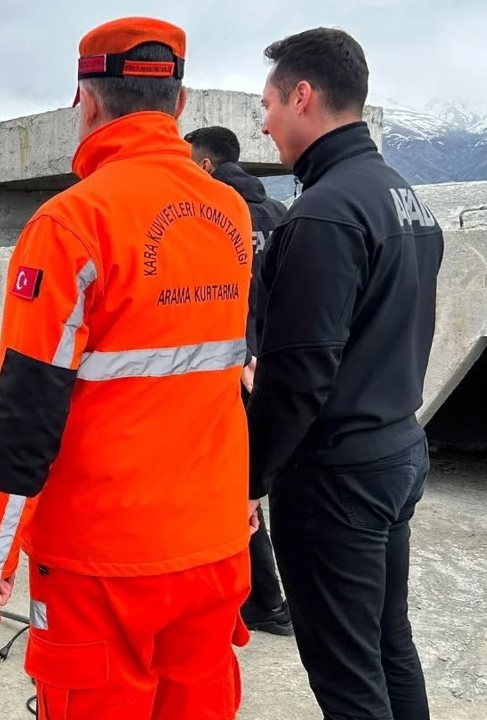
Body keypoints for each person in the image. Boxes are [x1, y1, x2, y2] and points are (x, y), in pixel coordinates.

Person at [0, 17, 255, 719]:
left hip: (103, 564)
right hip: (213, 547)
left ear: (86, 103)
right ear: (180, 106)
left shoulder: (70, 224)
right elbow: (233, 372)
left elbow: (28, 405)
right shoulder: (231, 214)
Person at [250, 27, 443, 720]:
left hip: (337, 477)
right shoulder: (402, 195)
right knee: (389, 642)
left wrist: (249, 478)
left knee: (346, 671)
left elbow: (298, 377)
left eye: (267, 104)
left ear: (302, 96)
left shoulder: (326, 212)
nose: (264, 122)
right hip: (396, 450)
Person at [186, 124, 293, 636]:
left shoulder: (205, 217)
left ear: (205, 166)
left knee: (232, 491)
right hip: (279, 366)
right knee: (258, 488)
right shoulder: (280, 215)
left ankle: (264, 602)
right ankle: (269, 598)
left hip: (229, 370)